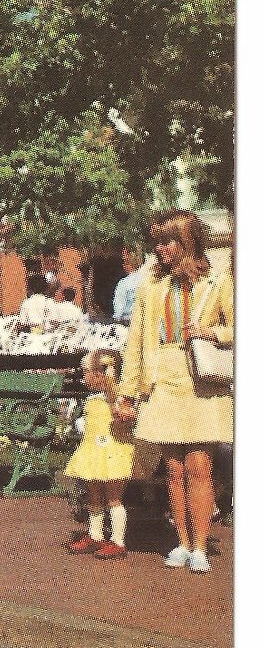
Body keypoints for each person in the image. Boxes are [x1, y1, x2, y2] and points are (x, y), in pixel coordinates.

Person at [117, 210, 232, 574]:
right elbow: (136, 340)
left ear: (187, 242)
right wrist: (127, 390)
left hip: (200, 379)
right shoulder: (151, 284)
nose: (160, 248)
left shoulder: (217, 280)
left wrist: (214, 333)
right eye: (156, 241)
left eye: (167, 240)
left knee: (200, 465)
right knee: (172, 468)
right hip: (161, 379)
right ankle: (181, 541)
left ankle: (200, 545)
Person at [63, 349, 137, 559]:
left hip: (113, 452)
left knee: (113, 498)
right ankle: (95, 535)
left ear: (100, 373)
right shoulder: (93, 398)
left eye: (86, 372)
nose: (83, 376)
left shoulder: (120, 399)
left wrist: (119, 408)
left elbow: (126, 421)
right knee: (94, 495)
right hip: (92, 451)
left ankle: (118, 541)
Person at [113, 247, 145, 326]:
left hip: (128, 323)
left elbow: (118, 311)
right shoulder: (146, 280)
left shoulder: (123, 283)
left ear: (127, 264)